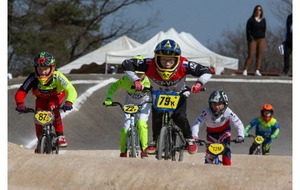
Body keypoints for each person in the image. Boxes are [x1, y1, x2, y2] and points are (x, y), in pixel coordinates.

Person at [122, 39, 212, 154]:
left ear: (177, 59)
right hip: (158, 94)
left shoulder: (184, 64)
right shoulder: (149, 63)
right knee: (157, 115)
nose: (167, 63)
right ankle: (155, 141)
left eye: (170, 60)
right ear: (157, 58)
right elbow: (126, 63)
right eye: (163, 59)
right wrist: (135, 80)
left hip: (179, 93)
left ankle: (189, 139)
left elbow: (206, 71)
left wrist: (199, 83)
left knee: (179, 116)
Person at [15, 52, 77, 152]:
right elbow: (22, 91)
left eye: (45, 68)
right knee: (38, 115)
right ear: (35, 69)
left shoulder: (58, 76)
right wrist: (20, 103)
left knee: (52, 107)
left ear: (52, 68)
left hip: (56, 96)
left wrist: (69, 102)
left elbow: (71, 90)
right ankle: (40, 141)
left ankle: (60, 136)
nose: (42, 72)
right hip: (41, 99)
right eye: (39, 69)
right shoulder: (33, 77)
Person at [104, 55, 152, 158]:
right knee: (125, 129)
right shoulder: (126, 79)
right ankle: (123, 151)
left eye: (141, 74)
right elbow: (113, 87)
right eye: (136, 74)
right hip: (129, 103)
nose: (139, 76)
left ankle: (144, 150)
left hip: (144, 104)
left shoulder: (150, 80)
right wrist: (108, 98)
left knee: (141, 124)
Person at [191, 90, 244, 166]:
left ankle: (227, 170)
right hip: (211, 134)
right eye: (214, 104)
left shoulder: (228, 112)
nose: (217, 107)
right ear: (210, 104)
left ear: (225, 104)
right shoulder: (206, 112)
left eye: (219, 104)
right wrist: (194, 136)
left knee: (226, 153)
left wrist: (240, 135)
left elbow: (238, 123)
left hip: (225, 133)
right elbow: (197, 123)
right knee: (209, 158)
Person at [242, 5, 266, 76]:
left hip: (261, 39)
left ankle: (257, 70)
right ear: (255, 11)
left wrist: (263, 37)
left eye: (260, 10)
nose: (258, 11)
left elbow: (264, 29)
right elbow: (248, 30)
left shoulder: (263, 20)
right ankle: (245, 69)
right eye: (257, 10)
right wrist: (250, 38)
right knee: (251, 54)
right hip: (253, 39)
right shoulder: (251, 20)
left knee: (259, 55)